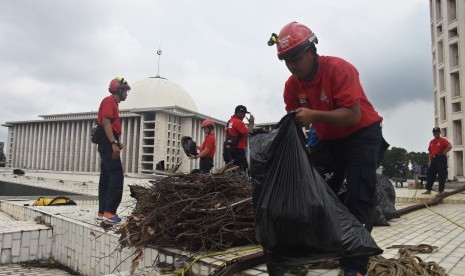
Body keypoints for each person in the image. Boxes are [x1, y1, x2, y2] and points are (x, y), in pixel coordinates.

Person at [270, 21, 384, 276]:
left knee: (359, 197)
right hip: (330, 141)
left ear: (312, 51)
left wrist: (314, 115)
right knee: (304, 186)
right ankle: (308, 248)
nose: (293, 66)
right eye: (287, 61)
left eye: (296, 58)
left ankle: (354, 267)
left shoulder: (339, 69)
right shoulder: (292, 86)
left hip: (362, 136)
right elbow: (296, 123)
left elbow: (353, 116)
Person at [96, 77, 130, 223]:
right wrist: (112, 143)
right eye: (126, 91)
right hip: (107, 140)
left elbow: (109, 124)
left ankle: (102, 211)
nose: (127, 94)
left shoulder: (113, 103)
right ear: (119, 90)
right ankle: (110, 212)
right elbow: (105, 122)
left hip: (108, 140)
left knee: (106, 176)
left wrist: (116, 142)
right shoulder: (109, 101)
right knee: (117, 175)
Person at [223, 105, 255, 172]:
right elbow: (249, 133)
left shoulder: (229, 122)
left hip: (228, 150)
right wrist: (251, 123)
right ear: (239, 113)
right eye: (243, 114)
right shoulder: (238, 122)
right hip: (238, 150)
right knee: (241, 170)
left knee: (230, 170)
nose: (244, 116)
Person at [422, 127, 452, 195]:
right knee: (430, 174)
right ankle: (428, 190)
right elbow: (429, 151)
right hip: (433, 159)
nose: (435, 133)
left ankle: (441, 191)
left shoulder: (443, 140)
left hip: (441, 158)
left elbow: (450, 146)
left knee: (441, 174)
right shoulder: (431, 142)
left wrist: (444, 153)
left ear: (439, 133)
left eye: (437, 132)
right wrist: (429, 160)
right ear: (433, 133)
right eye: (434, 132)